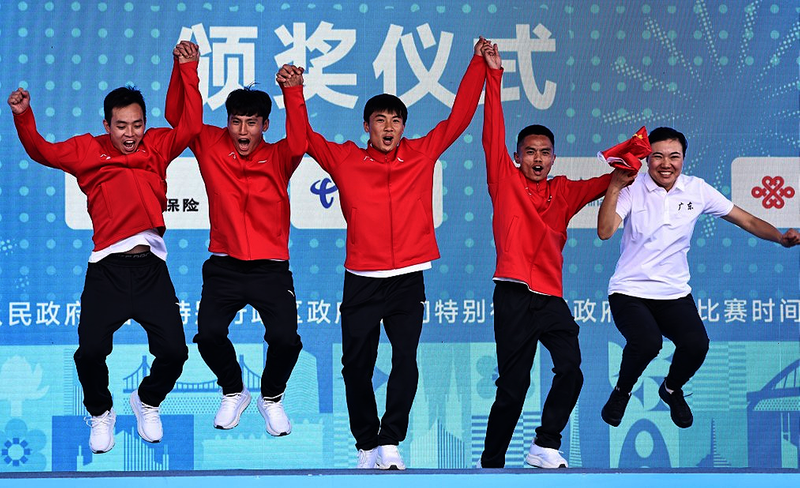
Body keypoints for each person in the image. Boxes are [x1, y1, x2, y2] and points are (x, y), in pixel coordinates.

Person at [8, 41, 202, 453]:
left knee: (175, 351)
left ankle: (146, 401)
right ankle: (100, 412)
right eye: (121, 126)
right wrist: (23, 115)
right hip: (107, 272)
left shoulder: (157, 146)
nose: (130, 134)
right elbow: (42, 151)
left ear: (145, 124)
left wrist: (187, 68)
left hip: (150, 270)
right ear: (107, 124)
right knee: (90, 352)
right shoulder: (87, 149)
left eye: (137, 125)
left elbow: (190, 126)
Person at [304, 38, 490, 469]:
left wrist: (477, 63)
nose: (388, 128)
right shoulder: (346, 159)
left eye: (396, 121)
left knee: (405, 360)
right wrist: (294, 92)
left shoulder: (422, 153)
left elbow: (460, 117)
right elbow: (306, 140)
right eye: (380, 120)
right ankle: (366, 444)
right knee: (355, 366)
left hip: (408, 277)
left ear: (404, 127)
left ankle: (390, 441)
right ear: (366, 126)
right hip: (362, 279)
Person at [597, 126, 800, 429]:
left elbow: (745, 219)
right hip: (630, 290)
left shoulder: (696, 189)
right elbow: (605, 231)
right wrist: (614, 187)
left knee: (697, 345)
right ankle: (621, 392)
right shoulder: (632, 187)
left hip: (674, 293)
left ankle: (671, 390)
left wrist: (780, 238)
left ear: (684, 158)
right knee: (647, 342)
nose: (666, 164)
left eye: (674, 156)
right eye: (658, 157)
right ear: (647, 159)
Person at [478, 43, 618, 469]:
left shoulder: (565, 191)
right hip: (513, 294)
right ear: (517, 157)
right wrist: (494, 75)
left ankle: (545, 443)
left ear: (553, 157)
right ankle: (491, 464)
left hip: (551, 298)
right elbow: (492, 129)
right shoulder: (504, 180)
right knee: (514, 386)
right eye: (529, 152)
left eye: (544, 152)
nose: (537, 159)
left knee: (571, 369)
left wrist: (639, 156)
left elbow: (612, 180)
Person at [164, 64, 307, 435]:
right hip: (225, 266)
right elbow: (177, 118)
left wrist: (293, 91)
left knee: (285, 340)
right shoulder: (210, 144)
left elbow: (300, 141)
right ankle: (233, 390)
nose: (243, 131)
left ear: (265, 125)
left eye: (252, 123)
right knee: (209, 335)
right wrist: (185, 70)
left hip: (270, 269)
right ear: (227, 122)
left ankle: (271, 397)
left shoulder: (280, 156)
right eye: (236, 122)